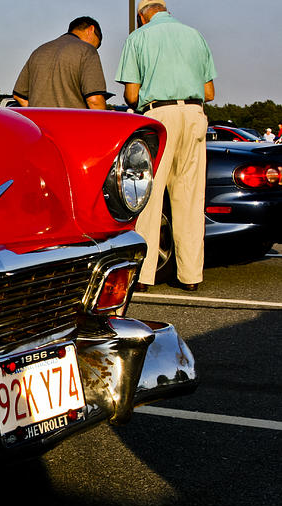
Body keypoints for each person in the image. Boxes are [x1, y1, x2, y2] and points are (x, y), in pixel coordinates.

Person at [116, 0, 216, 292]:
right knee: (190, 197)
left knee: (150, 196)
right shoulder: (195, 35)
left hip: (159, 115)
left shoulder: (138, 37)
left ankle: (144, 275)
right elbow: (209, 91)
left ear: (141, 16)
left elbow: (132, 96)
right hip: (195, 114)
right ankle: (190, 276)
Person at [12, 16, 108, 109]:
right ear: (91, 29)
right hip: (72, 123)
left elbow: (19, 95)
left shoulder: (39, 51)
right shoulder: (87, 50)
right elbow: (95, 101)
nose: (95, 48)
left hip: (38, 124)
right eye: (97, 45)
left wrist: (38, 113)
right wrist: (106, 122)